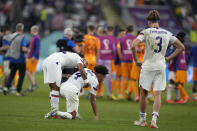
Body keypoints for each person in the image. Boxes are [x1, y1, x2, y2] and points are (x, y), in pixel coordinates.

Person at [132, 10, 185, 128]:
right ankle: (154, 120)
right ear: (158, 21)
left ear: (148, 21)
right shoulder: (167, 33)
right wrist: (168, 58)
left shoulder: (145, 32)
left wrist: (136, 60)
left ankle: (142, 119)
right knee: (158, 94)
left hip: (148, 65)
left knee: (143, 93)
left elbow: (133, 45)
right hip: (161, 66)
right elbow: (181, 47)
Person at [43, 51, 88, 118]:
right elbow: (80, 68)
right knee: (56, 88)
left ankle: (54, 110)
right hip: (54, 62)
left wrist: (65, 75)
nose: (84, 66)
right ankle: (54, 112)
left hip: (47, 61)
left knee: (52, 87)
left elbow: (57, 71)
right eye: (85, 65)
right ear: (83, 60)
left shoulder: (69, 58)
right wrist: (86, 81)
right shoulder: (79, 58)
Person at [3, 23, 28, 96]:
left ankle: (6, 87)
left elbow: (5, 40)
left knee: (12, 74)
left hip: (12, 59)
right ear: (22, 29)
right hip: (20, 59)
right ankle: (18, 91)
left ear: (16, 28)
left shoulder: (10, 36)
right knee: (21, 75)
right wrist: (27, 50)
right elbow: (23, 49)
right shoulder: (22, 37)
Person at [98, 26, 119, 99]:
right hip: (109, 59)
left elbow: (97, 49)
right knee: (107, 76)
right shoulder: (114, 39)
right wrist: (114, 58)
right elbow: (115, 50)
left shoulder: (99, 38)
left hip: (100, 59)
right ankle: (110, 93)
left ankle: (99, 92)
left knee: (98, 75)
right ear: (112, 31)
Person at [120, 25, 135, 98]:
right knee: (132, 78)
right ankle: (129, 92)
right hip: (132, 60)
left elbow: (121, 49)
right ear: (132, 30)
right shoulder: (135, 38)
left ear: (126, 30)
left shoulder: (123, 39)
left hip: (124, 59)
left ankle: (124, 95)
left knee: (125, 78)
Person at [25, 25, 41, 92]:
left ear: (34, 30)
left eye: (31, 30)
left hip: (32, 57)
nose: (30, 31)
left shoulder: (36, 38)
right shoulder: (34, 37)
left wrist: (34, 56)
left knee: (27, 71)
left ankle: (34, 84)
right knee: (31, 72)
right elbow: (29, 44)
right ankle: (31, 87)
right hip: (33, 57)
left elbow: (38, 48)